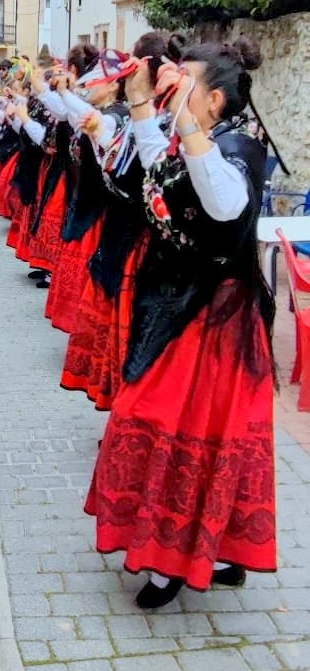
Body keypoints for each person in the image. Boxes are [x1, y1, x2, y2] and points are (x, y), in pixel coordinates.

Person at [85, 38, 276, 608]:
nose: (173, 89)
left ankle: (179, 560)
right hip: (170, 304)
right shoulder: (186, 141)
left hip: (214, 318)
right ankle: (197, 551)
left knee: (186, 431)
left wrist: (183, 121)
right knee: (149, 419)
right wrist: (142, 102)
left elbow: (223, 206)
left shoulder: (238, 147)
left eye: (184, 82)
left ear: (214, 100)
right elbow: (149, 168)